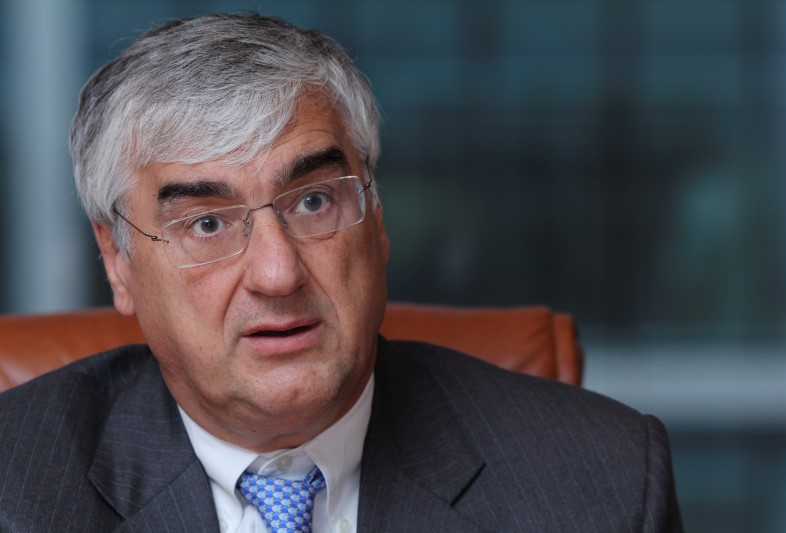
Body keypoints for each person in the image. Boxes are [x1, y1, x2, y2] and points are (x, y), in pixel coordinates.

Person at [0, 12, 683, 532]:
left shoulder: (602, 482)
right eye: (206, 222)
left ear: (377, 222)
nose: (277, 273)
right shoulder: (16, 485)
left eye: (315, 201)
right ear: (118, 262)